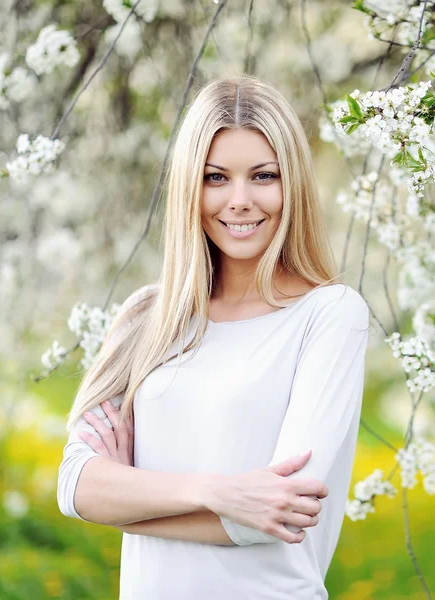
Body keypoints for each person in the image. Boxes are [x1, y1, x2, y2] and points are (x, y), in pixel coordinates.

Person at [56, 74, 370, 600]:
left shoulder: (330, 315)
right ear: (189, 186)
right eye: (216, 177)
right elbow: (75, 487)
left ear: (291, 183)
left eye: (263, 176)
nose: (240, 200)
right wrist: (220, 492)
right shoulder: (146, 318)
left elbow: (275, 515)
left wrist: (127, 505)